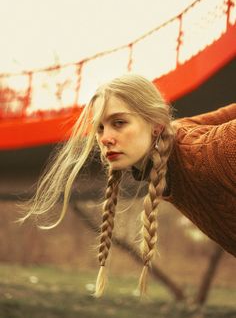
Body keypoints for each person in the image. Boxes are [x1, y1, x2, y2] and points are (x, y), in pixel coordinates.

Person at [20, 74, 236, 297]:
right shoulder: (173, 143)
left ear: (155, 125)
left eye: (119, 123)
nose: (104, 138)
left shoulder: (214, 151)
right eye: (100, 128)